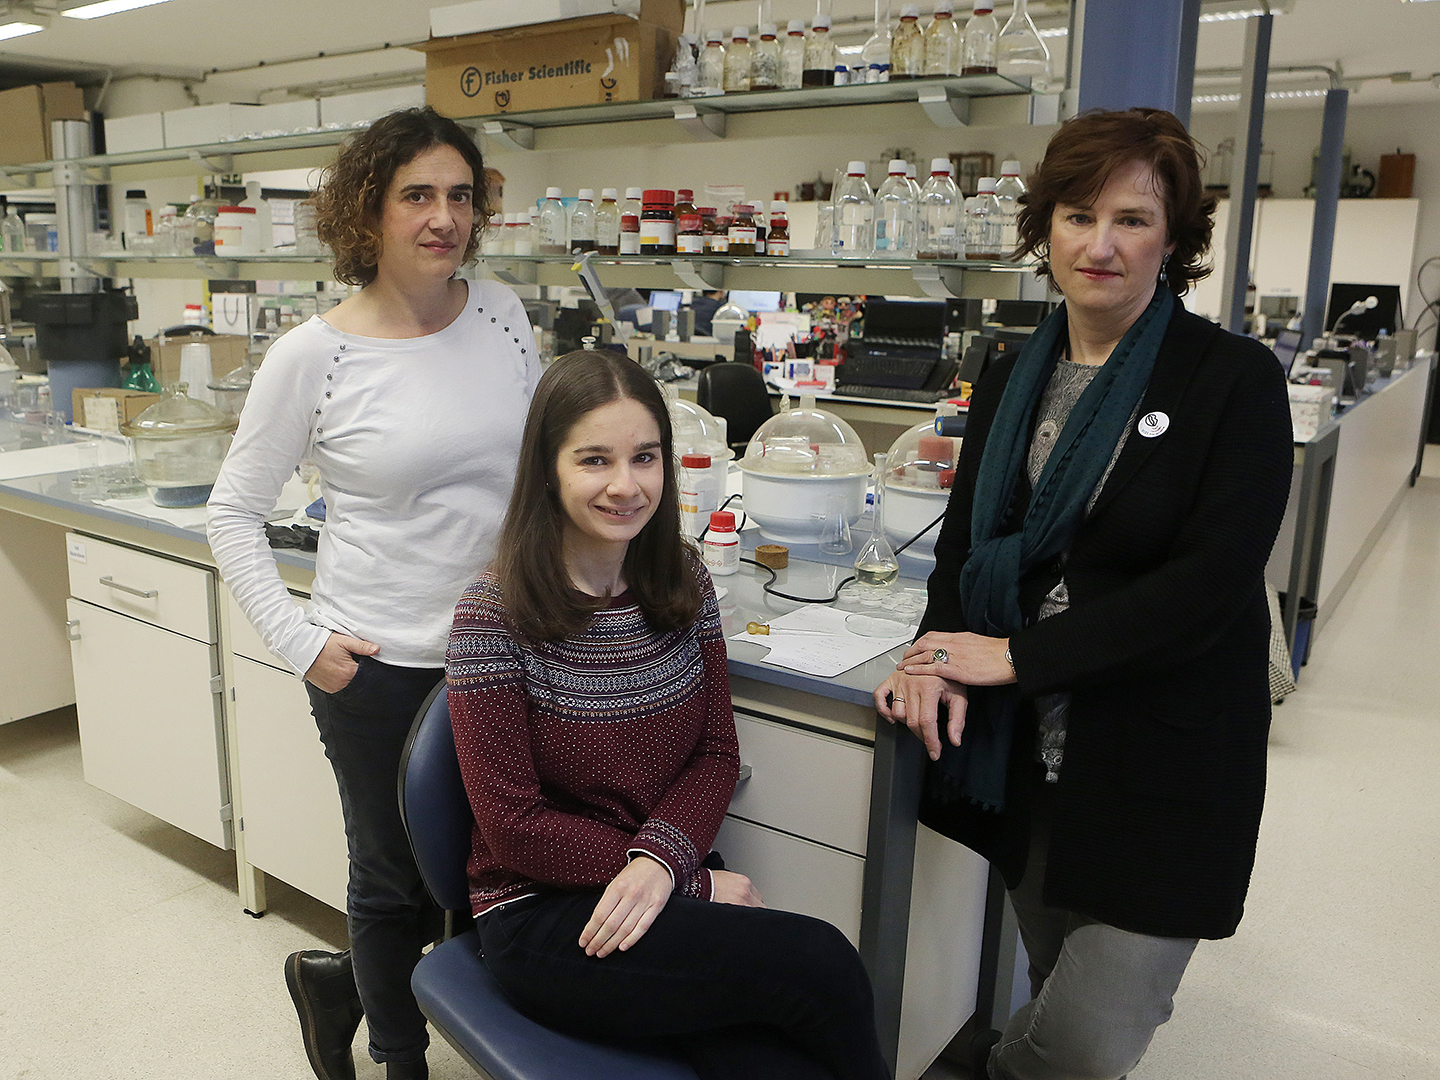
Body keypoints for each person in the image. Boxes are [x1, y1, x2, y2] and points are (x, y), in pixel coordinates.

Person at [873, 108, 1293, 1080]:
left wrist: (1015, 658)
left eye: (1133, 219)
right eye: (1075, 213)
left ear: (1174, 238)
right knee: (1055, 972)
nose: (1098, 244)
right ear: (1044, 228)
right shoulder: (1014, 371)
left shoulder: (1233, 381)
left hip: (1161, 763)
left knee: (1087, 1040)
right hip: (1030, 759)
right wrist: (933, 651)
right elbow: (966, 545)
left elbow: (1209, 587)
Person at [207, 107, 540, 1080]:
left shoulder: (504, 316)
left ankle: (340, 982)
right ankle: (397, 1061)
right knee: (394, 881)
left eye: (460, 195)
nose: (443, 218)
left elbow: (532, 475)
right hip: (378, 666)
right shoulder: (315, 355)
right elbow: (233, 514)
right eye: (417, 196)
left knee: (478, 876)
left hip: (499, 652)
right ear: (369, 211)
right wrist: (300, 642)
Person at [447, 350, 891, 1080]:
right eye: (594, 460)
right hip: (544, 914)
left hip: (659, 875)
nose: (626, 485)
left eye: (645, 457)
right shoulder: (494, 616)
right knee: (821, 963)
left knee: (776, 1060)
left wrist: (663, 865)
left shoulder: (680, 577)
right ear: (547, 470)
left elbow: (715, 752)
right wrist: (685, 880)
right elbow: (513, 829)